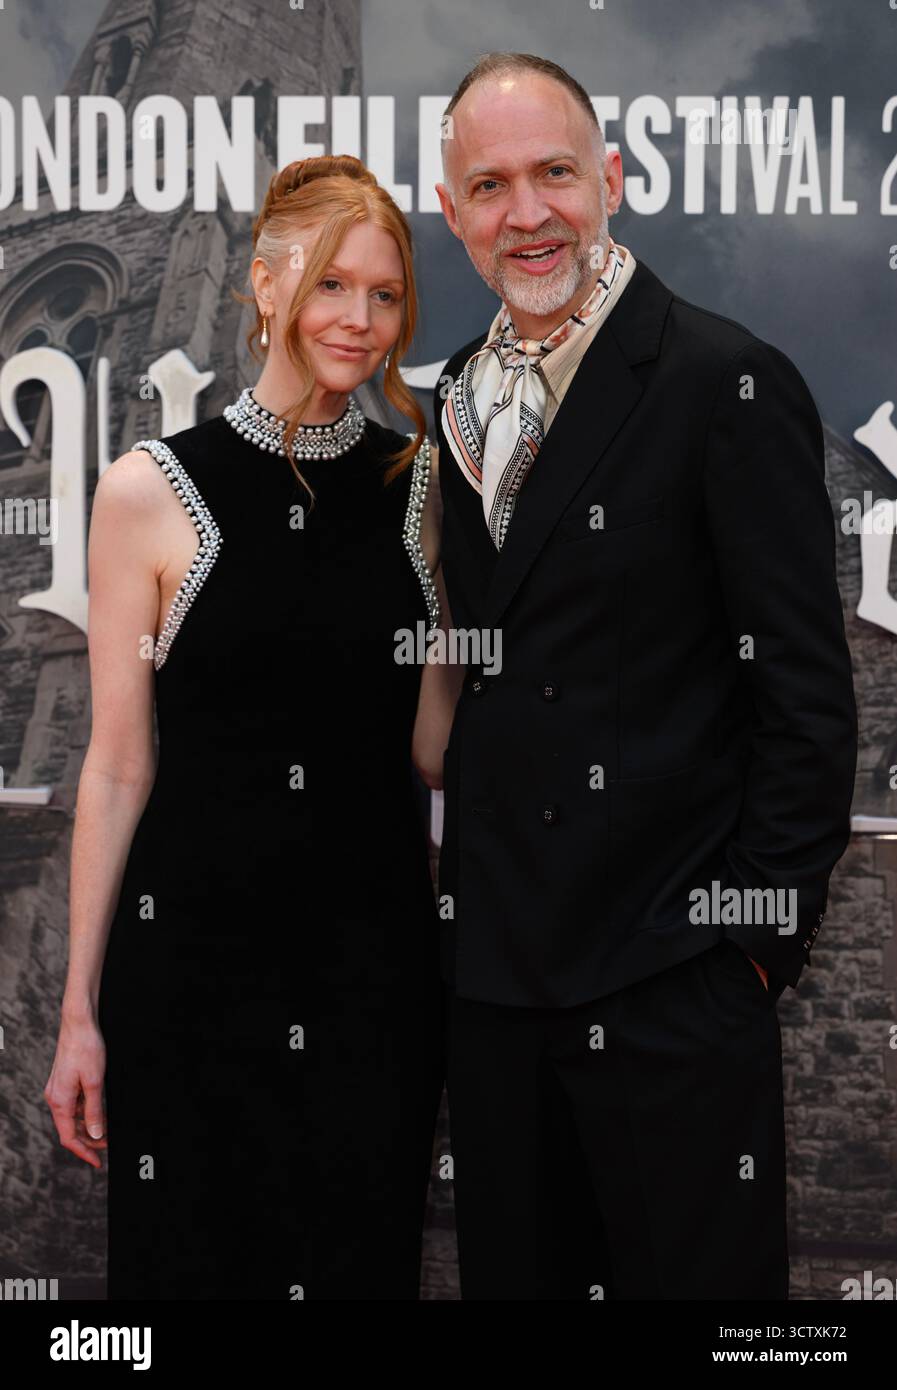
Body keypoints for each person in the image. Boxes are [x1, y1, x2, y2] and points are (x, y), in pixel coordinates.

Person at [431, 53, 858, 1299]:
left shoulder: (724, 379)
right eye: (491, 185)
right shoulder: (456, 398)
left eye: (555, 172)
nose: (528, 213)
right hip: (502, 1002)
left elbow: (807, 702)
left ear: (611, 180)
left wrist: (749, 959)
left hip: (672, 993)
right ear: (454, 217)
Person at [43, 155, 455, 1300]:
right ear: (267, 286)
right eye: (332, 287)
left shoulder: (422, 490)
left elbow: (428, 750)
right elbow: (120, 765)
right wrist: (80, 1010)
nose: (360, 322)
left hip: (373, 975)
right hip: (189, 974)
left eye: (384, 297)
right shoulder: (148, 491)